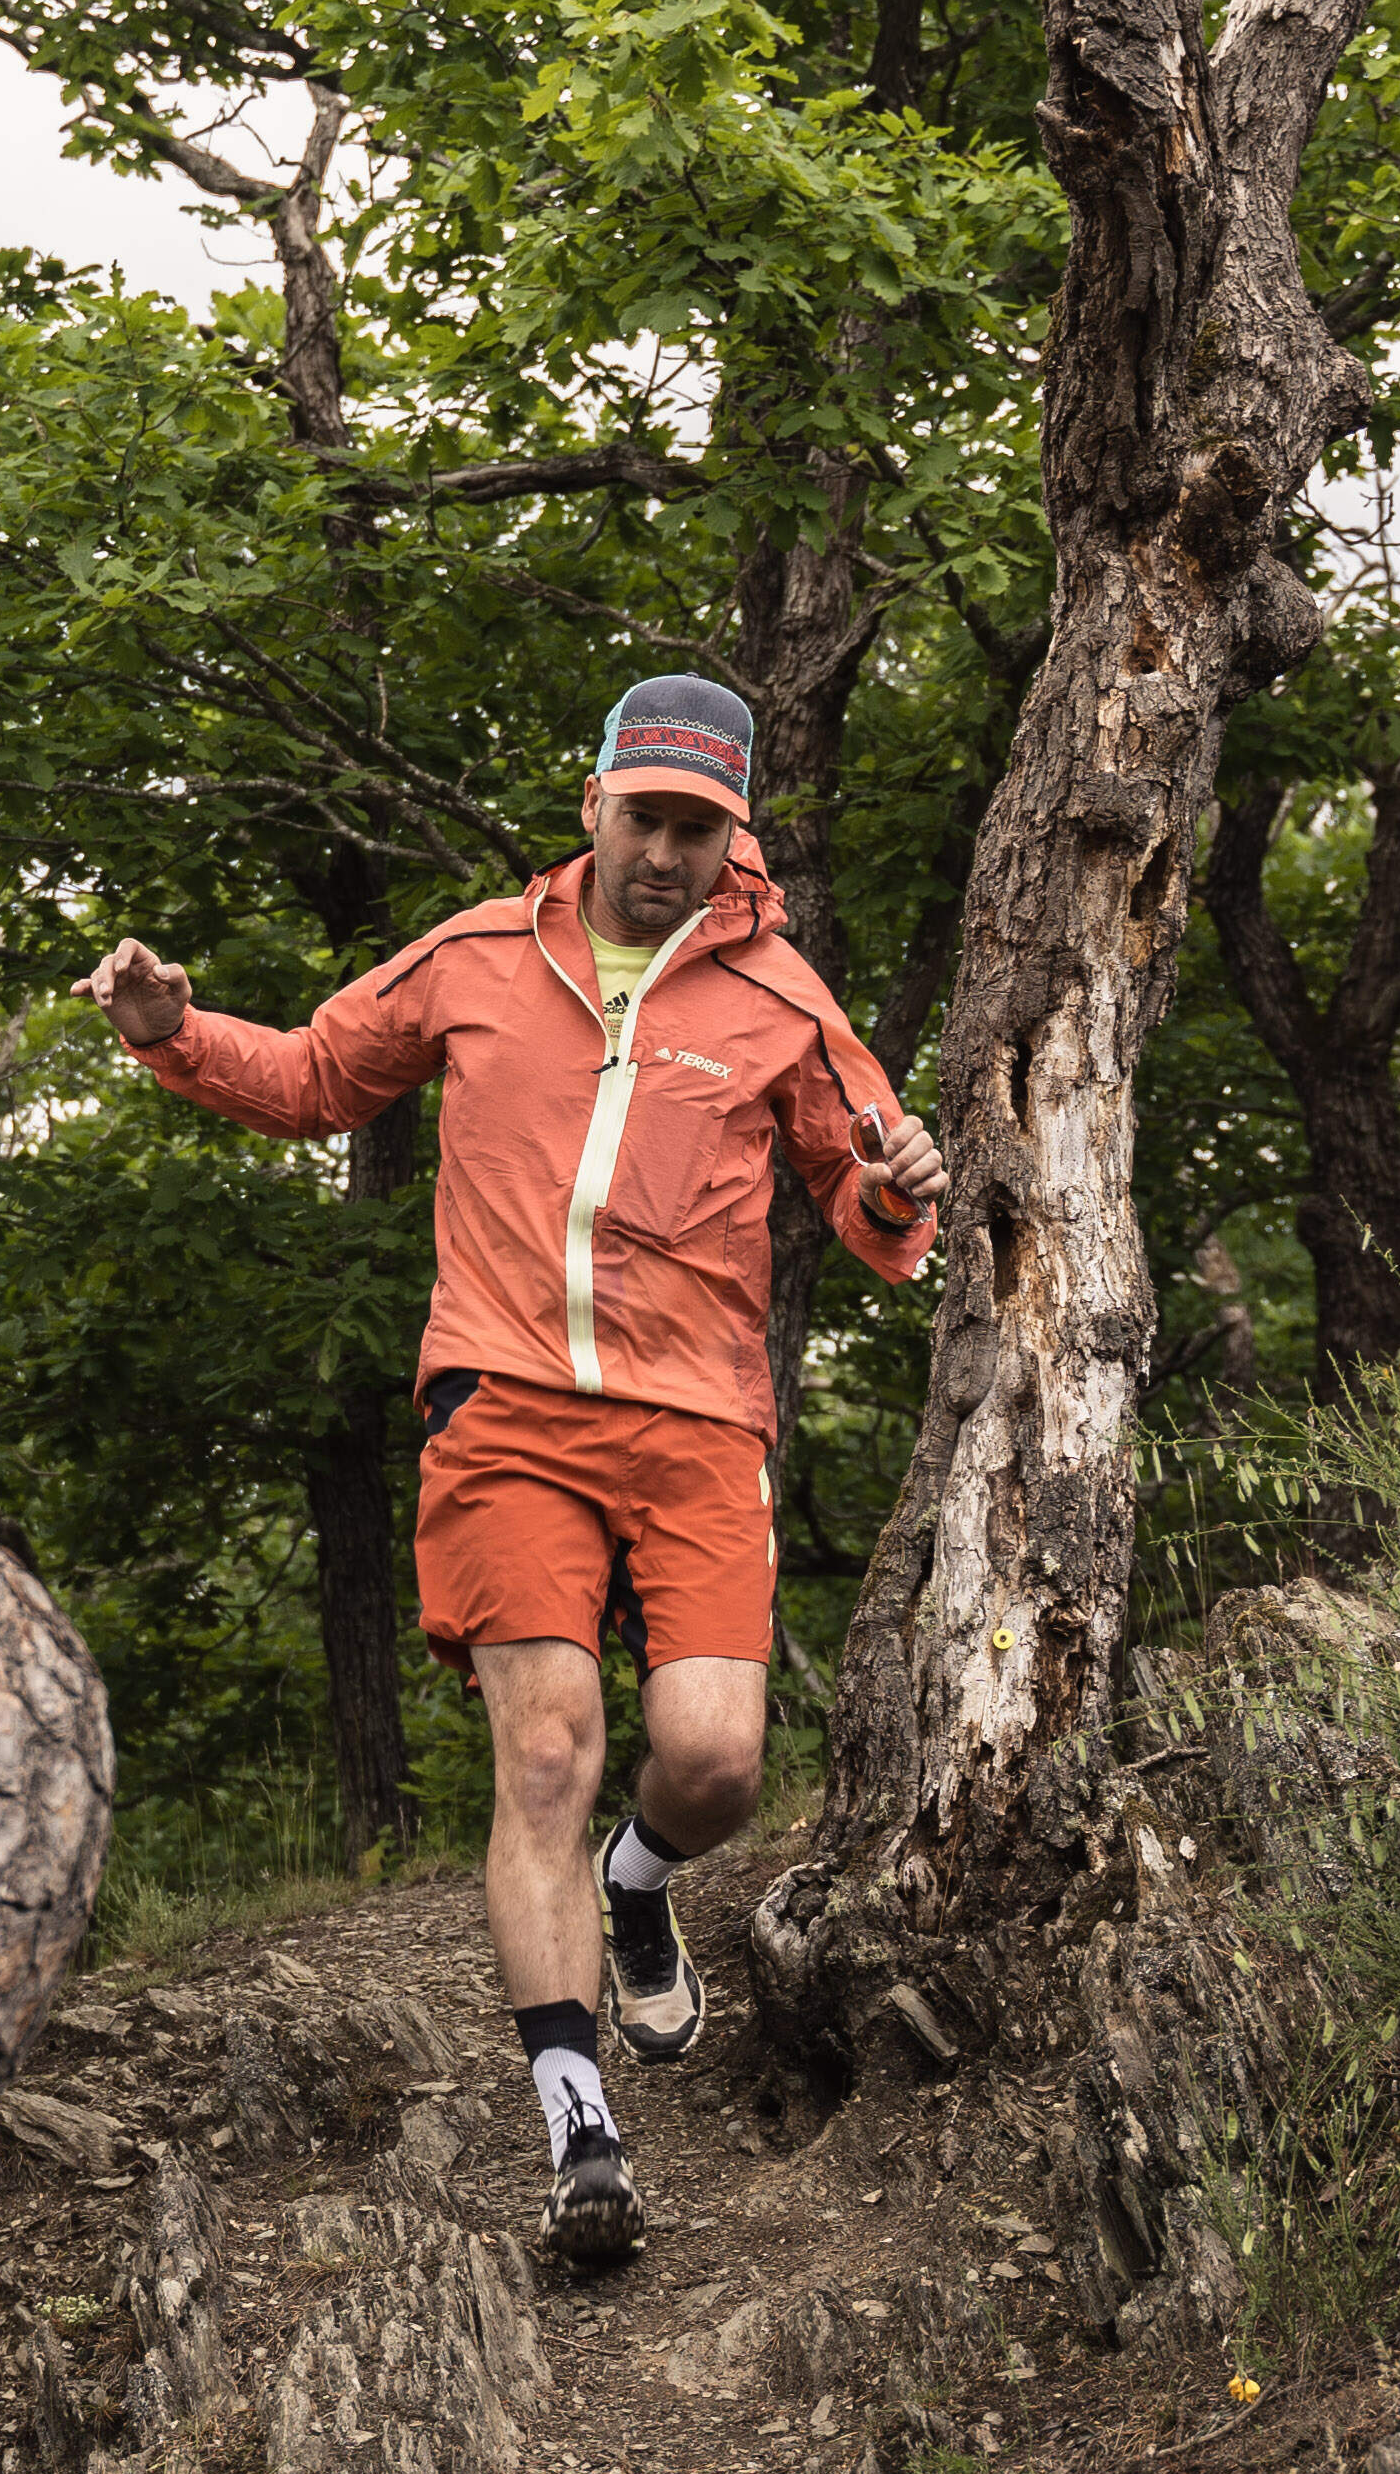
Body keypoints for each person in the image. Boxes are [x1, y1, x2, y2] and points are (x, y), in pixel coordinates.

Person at [80, 673, 949, 2257]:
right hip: (504, 1407)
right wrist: (171, 1034)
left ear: (734, 835)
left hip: (699, 1421)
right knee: (544, 1752)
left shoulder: (787, 1005)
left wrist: (898, 1190)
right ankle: (580, 2131)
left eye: (701, 828)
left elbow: (877, 1214)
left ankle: (639, 1883)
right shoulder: (478, 957)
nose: (669, 852)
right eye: (646, 818)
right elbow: (314, 1079)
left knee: (716, 1762)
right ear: (594, 806)